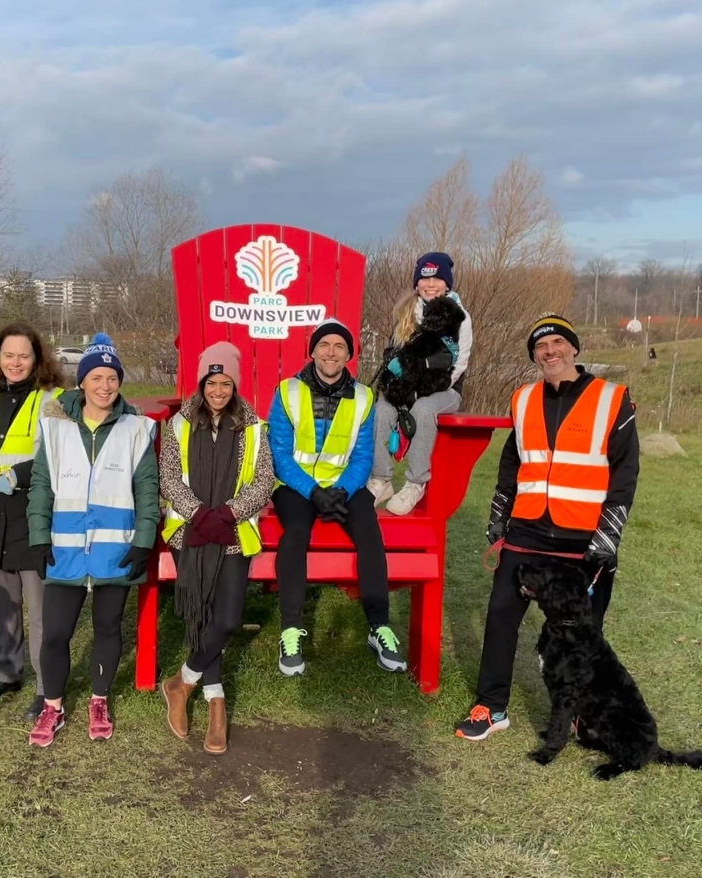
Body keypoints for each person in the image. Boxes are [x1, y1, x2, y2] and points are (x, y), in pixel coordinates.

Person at [455, 314, 640, 741]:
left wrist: (608, 536)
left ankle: (581, 714)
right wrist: (498, 518)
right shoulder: (522, 399)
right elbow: (511, 464)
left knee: (583, 632)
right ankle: (491, 706)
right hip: (527, 531)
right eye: (541, 346)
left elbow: (625, 473)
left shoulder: (612, 398)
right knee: (501, 616)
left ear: (574, 348)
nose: (550, 351)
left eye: (558, 342)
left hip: (584, 538)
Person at [25, 333, 159, 747]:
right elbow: (42, 486)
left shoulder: (137, 428)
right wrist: (37, 536)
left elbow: (148, 491)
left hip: (114, 552)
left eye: (112, 377)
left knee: (107, 629)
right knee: (55, 634)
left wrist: (144, 541)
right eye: (96, 377)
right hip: (64, 551)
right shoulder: (55, 426)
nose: (105, 385)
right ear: (81, 382)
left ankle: (99, 701)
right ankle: (53, 707)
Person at [268, 319, 407, 676]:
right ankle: (290, 629)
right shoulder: (287, 392)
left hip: (345, 486)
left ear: (348, 354)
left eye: (339, 347)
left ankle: (379, 627)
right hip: (297, 488)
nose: (331, 352)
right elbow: (280, 454)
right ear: (312, 351)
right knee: (296, 533)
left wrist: (343, 489)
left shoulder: (364, 397)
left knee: (369, 530)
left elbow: (363, 455)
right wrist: (313, 491)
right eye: (324, 345)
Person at [158, 342, 275, 754]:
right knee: (204, 615)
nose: (219, 390)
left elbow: (264, 480)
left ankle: (181, 682)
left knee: (225, 619)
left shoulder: (254, 427)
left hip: (232, 532)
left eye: (226, 383)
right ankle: (215, 701)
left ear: (235, 385)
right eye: (212, 382)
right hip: (189, 533)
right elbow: (169, 477)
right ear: (202, 382)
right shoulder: (178, 425)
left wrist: (227, 513)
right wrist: (198, 515)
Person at [0, 323, 66, 721]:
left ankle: (45, 685)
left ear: (37, 359)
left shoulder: (53, 399)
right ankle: (7, 670)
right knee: (0, 601)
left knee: (39, 606)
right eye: (8, 355)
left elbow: (58, 454)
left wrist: (19, 475)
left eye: (24, 355)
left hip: (32, 512)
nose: (15, 363)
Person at [367, 252, 473, 515]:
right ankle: (381, 479)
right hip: (405, 385)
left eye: (437, 279)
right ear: (417, 283)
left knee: (424, 409)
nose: (431, 284)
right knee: (380, 409)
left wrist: (423, 389)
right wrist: (399, 386)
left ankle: (416, 482)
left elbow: (460, 364)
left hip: (445, 388)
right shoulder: (406, 312)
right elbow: (394, 354)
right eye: (425, 279)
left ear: (447, 284)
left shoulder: (460, 317)